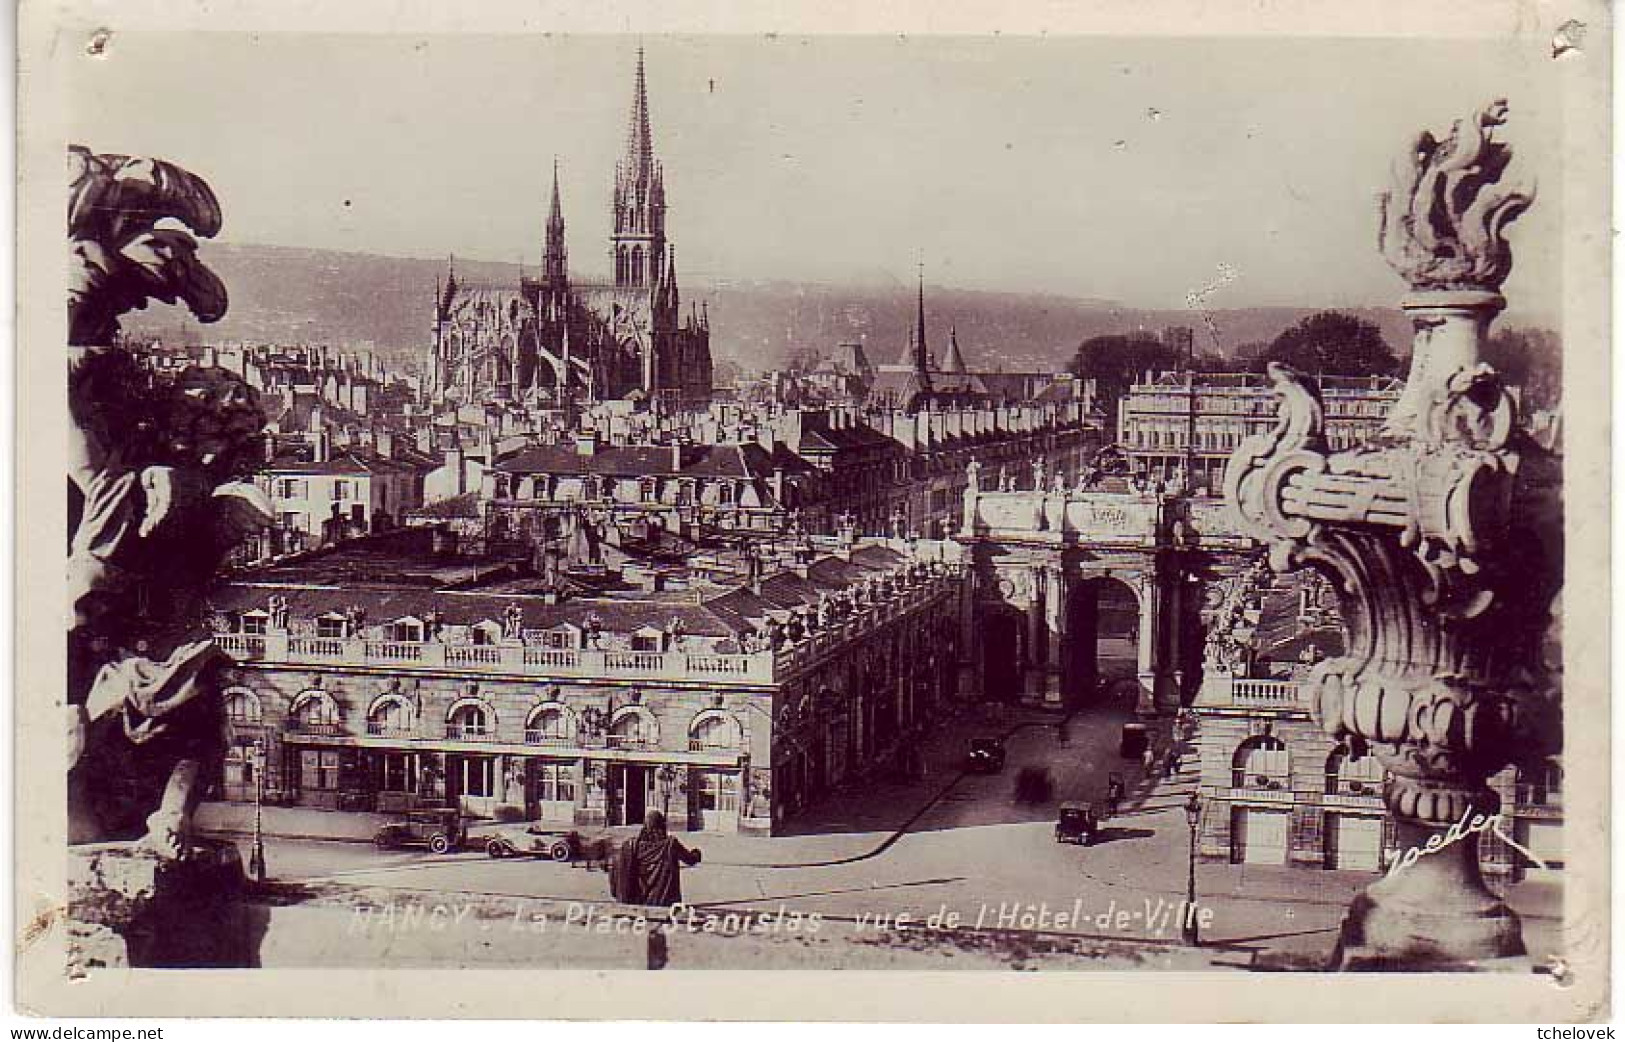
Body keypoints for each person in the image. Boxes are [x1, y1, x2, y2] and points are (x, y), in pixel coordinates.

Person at [611, 809, 702, 907]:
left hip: (640, 901)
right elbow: (690, 860)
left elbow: (616, 866)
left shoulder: (633, 845)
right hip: (664, 901)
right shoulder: (670, 844)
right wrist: (696, 854)